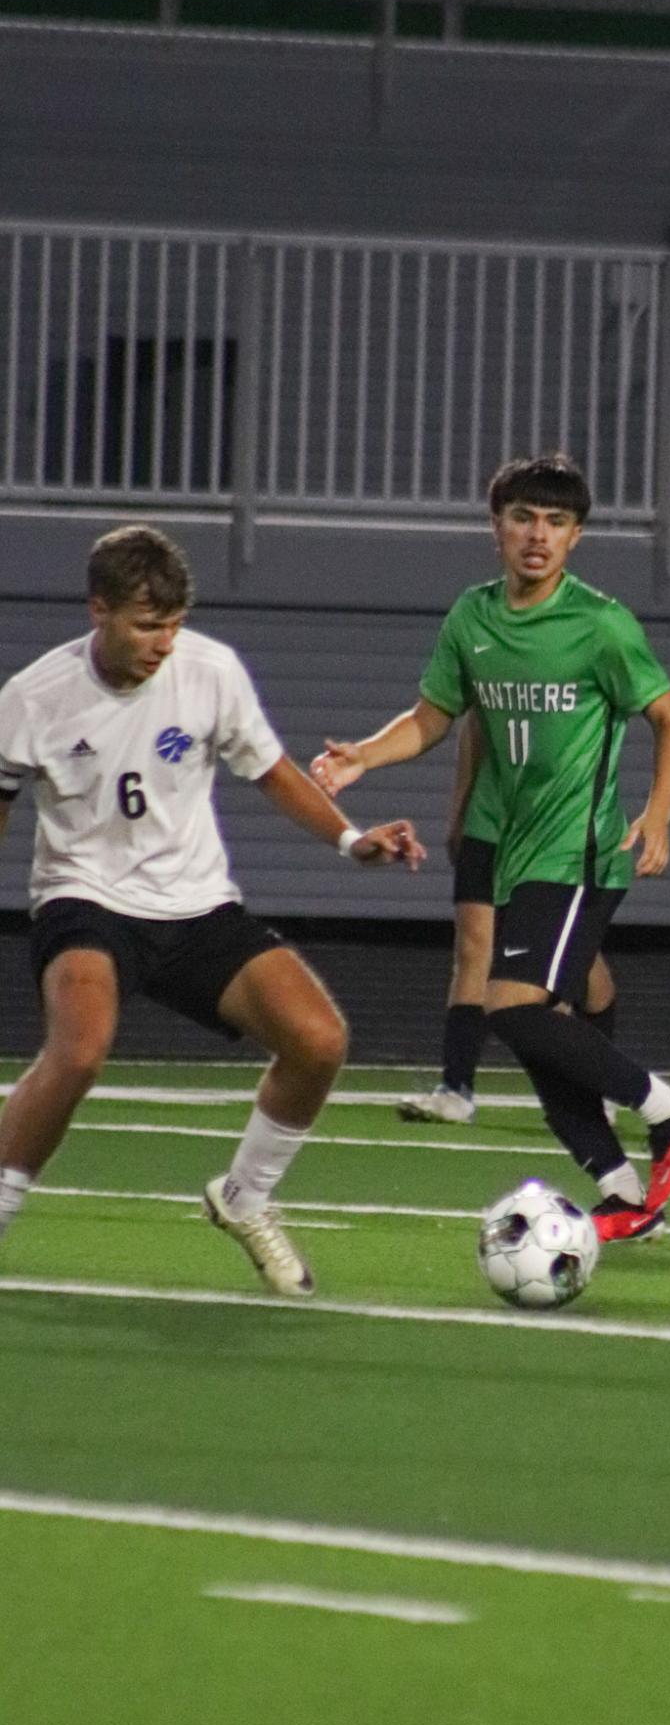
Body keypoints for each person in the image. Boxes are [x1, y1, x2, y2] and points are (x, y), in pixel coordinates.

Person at [0, 524, 424, 1297]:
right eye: (146, 624)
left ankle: (244, 1197)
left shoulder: (211, 671)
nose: (165, 642)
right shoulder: (33, 699)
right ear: (99, 610)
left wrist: (351, 839)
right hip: (84, 899)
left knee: (319, 1040)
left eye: (174, 622)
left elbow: (272, 770)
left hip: (197, 907)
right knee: (82, 1049)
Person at [314, 453, 670, 1241]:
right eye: (524, 517)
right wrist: (363, 754)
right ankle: (624, 1193)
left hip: (582, 853)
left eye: (556, 522)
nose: (538, 535)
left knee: (514, 1006)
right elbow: (432, 716)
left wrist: (658, 816)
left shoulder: (601, 624)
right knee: (534, 1037)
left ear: (576, 537)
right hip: (518, 850)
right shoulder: (473, 617)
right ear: (497, 525)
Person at [395, 707, 619, 1125]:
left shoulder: (587, 650)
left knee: (580, 961)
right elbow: (475, 724)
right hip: (491, 821)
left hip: (554, 830)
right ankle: (456, 1089)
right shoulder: (490, 647)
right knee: (474, 946)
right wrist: (460, 809)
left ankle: (600, 1083)